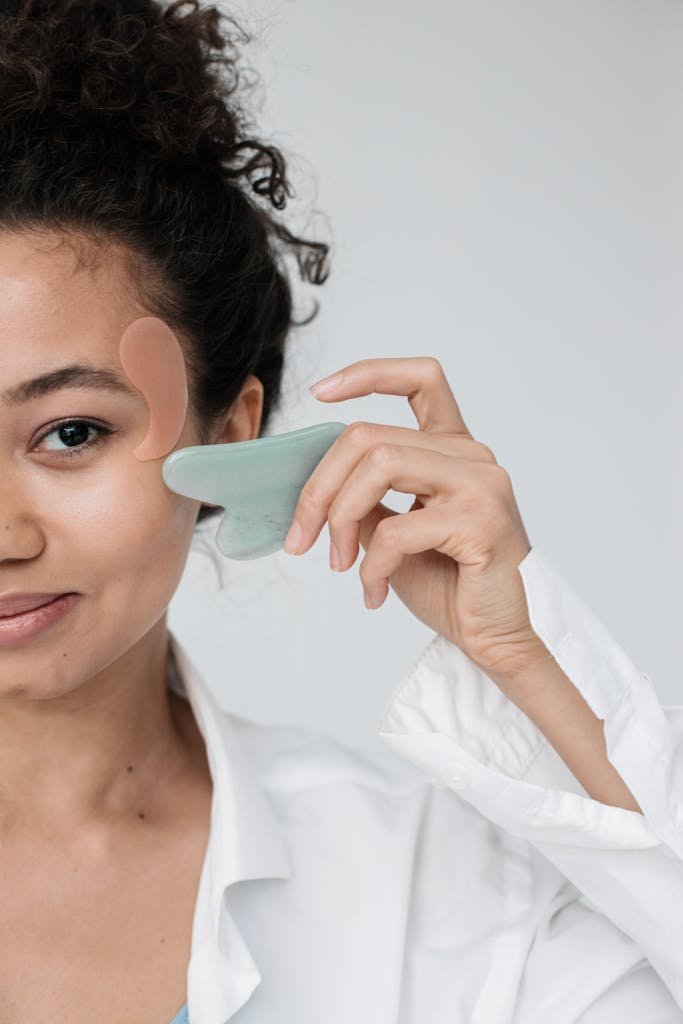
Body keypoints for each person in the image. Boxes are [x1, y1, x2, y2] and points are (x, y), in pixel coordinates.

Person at [0, 2, 679, 1022]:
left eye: (71, 433)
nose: (6, 534)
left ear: (228, 438)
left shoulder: (428, 887)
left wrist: (532, 661)